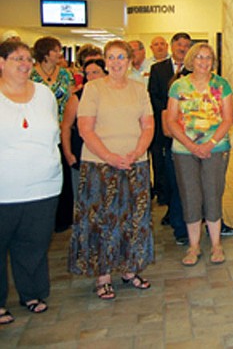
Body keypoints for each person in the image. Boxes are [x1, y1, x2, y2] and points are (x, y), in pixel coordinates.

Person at [70, 40, 155, 300]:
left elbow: (148, 126)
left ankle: (130, 269)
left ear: (130, 61)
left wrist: (136, 153)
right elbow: (86, 129)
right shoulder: (93, 89)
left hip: (134, 164)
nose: (116, 62)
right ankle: (103, 276)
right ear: (105, 62)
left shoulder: (140, 89)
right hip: (99, 165)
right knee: (102, 221)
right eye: (112, 57)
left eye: (121, 57)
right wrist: (110, 157)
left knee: (134, 219)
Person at [0, 41, 62, 324]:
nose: (25, 64)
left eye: (27, 59)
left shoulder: (45, 94)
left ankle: (32, 293)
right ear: (1, 63)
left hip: (43, 185)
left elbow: (54, 133)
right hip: (5, 187)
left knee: (34, 244)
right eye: (17, 59)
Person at [165, 43, 233, 266]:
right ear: (191, 60)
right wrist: (191, 145)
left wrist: (210, 143)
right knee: (190, 195)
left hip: (216, 148)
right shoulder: (179, 86)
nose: (204, 62)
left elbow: (227, 119)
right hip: (184, 150)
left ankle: (216, 244)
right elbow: (171, 120)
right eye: (199, 58)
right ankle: (194, 246)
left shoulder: (221, 85)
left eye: (208, 58)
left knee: (213, 194)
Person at [148, 32, 191, 242]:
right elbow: (153, 97)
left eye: (186, 45)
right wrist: (170, 114)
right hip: (166, 131)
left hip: (192, 133)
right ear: (173, 46)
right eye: (179, 44)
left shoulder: (195, 69)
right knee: (169, 176)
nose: (183, 48)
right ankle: (174, 217)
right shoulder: (158, 69)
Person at [30, 36, 74, 231]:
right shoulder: (31, 75)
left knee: (64, 171)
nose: (59, 54)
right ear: (46, 53)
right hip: (38, 131)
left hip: (63, 127)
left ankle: (63, 218)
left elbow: (71, 98)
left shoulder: (65, 74)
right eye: (56, 50)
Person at [60, 58, 107, 202]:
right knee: (84, 198)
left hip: (107, 153)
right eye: (88, 73)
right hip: (81, 152)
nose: (91, 77)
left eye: (95, 72)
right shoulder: (77, 98)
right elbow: (66, 126)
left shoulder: (112, 96)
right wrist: (68, 153)